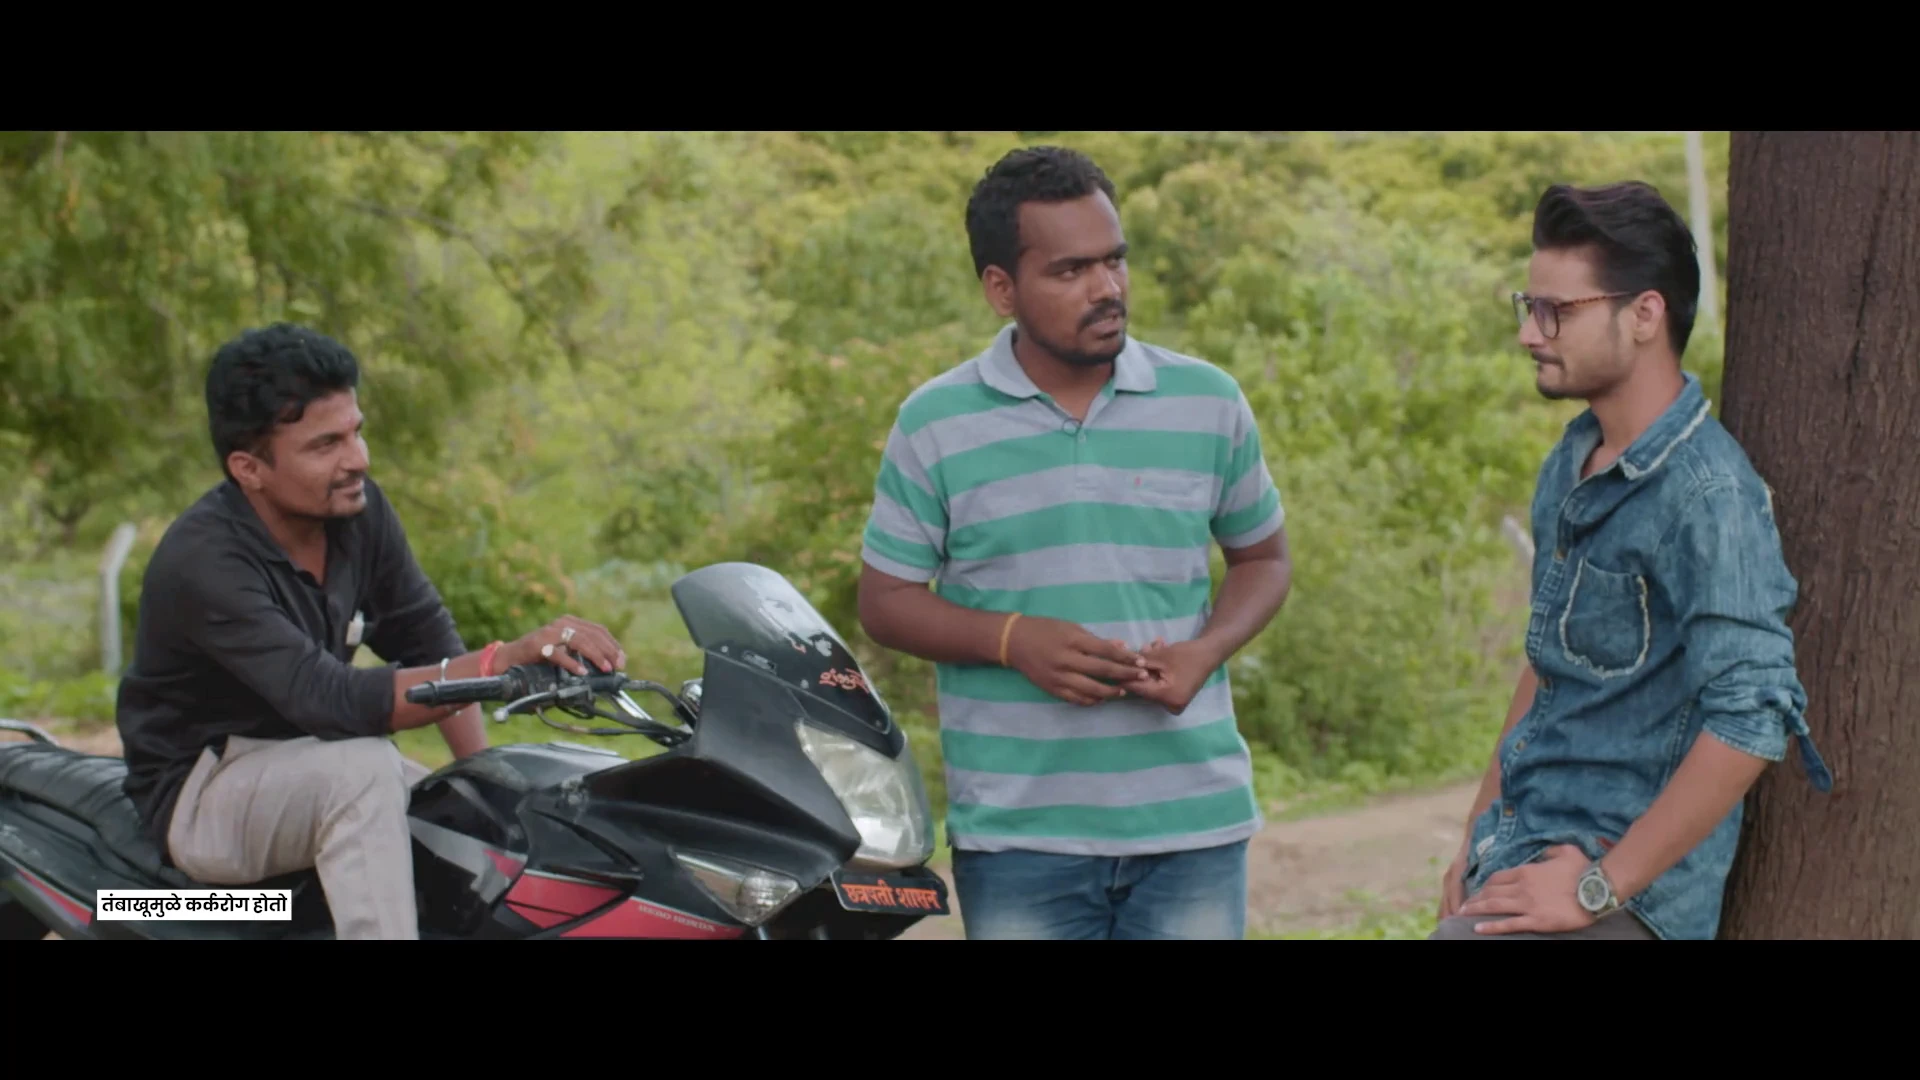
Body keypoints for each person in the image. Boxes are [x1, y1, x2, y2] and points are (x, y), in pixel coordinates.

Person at [854, 146, 1293, 940]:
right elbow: (885, 603)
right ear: (1001, 288)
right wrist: (1013, 639)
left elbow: (1263, 559)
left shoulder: (1207, 401)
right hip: (1019, 838)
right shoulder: (935, 422)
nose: (1107, 289)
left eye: (1114, 260)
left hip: (1192, 827)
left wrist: (1207, 649)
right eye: (1070, 271)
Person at [115, 323, 627, 940]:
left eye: (356, 432)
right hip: (205, 792)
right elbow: (331, 700)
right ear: (249, 469)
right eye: (325, 444)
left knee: (482, 821)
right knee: (365, 770)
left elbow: (428, 642)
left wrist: (487, 780)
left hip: (312, 761)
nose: (358, 458)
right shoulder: (204, 560)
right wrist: (499, 661)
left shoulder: (356, 512)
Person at [1432, 181, 1833, 941]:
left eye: (1558, 310)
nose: (1529, 333)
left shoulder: (1707, 495)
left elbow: (1752, 718)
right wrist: (1476, 834)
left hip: (1624, 894)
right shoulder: (1572, 459)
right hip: (1524, 846)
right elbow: (1547, 664)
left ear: (1645, 314)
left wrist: (1596, 889)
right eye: (1529, 306)